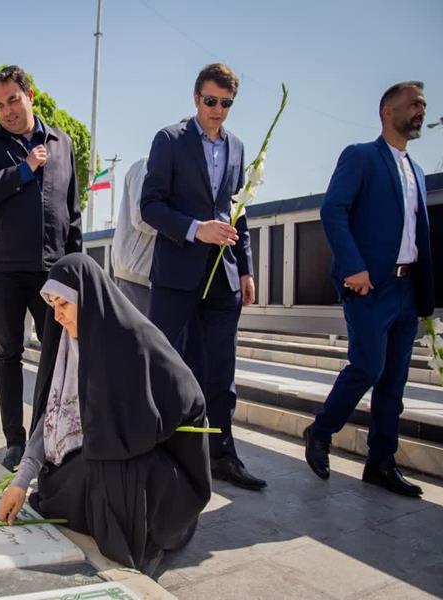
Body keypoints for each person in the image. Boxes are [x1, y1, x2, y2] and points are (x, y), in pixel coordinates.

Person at [0, 254, 212, 575]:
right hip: (101, 455)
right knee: (62, 483)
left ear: (88, 300)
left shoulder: (134, 339)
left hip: (149, 463)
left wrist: (135, 429)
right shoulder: (66, 346)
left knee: (111, 475)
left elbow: (190, 401)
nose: (57, 316)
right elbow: (50, 418)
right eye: (52, 305)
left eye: (64, 304)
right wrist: (20, 481)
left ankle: (146, 537)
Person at [303, 82, 434, 497]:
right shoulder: (360, 156)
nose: (421, 110)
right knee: (367, 367)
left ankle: (380, 463)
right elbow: (333, 210)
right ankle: (321, 431)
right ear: (387, 111)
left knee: (394, 382)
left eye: (424, 105)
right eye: (414, 104)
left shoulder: (418, 172)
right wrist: (354, 267)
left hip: (407, 289)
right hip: (369, 287)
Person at [140, 63, 264, 491]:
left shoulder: (238, 148)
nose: (218, 110)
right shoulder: (169, 140)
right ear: (196, 98)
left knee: (221, 371)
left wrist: (246, 269)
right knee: (165, 364)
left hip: (224, 279)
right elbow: (150, 206)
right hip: (176, 276)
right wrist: (196, 229)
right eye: (211, 101)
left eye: (226, 103)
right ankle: (158, 451)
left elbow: (238, 210)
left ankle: (223, 454)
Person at [0, 65, 82, 471]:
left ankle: (47, 437)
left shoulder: (62, 143)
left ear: (30, 96)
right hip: (7, 269)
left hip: (53, 271)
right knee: (8, 354)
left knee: (57, 356)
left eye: (13, 100)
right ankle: (15, 442)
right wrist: (23, 170)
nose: (7, 111)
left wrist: (75, 269)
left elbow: (72, 212)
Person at [111, 157, 155, 315]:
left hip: (150, 277)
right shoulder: (146, 165)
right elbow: (142, 217)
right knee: (135, 330)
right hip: (135, 275)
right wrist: (187, 228)